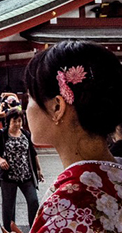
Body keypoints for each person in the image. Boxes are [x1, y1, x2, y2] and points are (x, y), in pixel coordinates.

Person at [16, 40, 122, 233]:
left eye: (30, 96)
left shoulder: (69, 207)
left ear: (57, 106)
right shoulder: (116, 175)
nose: (26, 109)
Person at [0, 107, 42, 231]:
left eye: (20, 121)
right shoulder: (1, 134)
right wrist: (0, 159)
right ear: (8, 122)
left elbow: (33, 153)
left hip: (26, 175)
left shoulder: (26, 134)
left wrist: (38, 170)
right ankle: (8, 230)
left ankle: (34, 228)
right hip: (8, 176)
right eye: (14, 121)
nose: (17, 124)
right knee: (8, 207)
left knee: (33, 201)